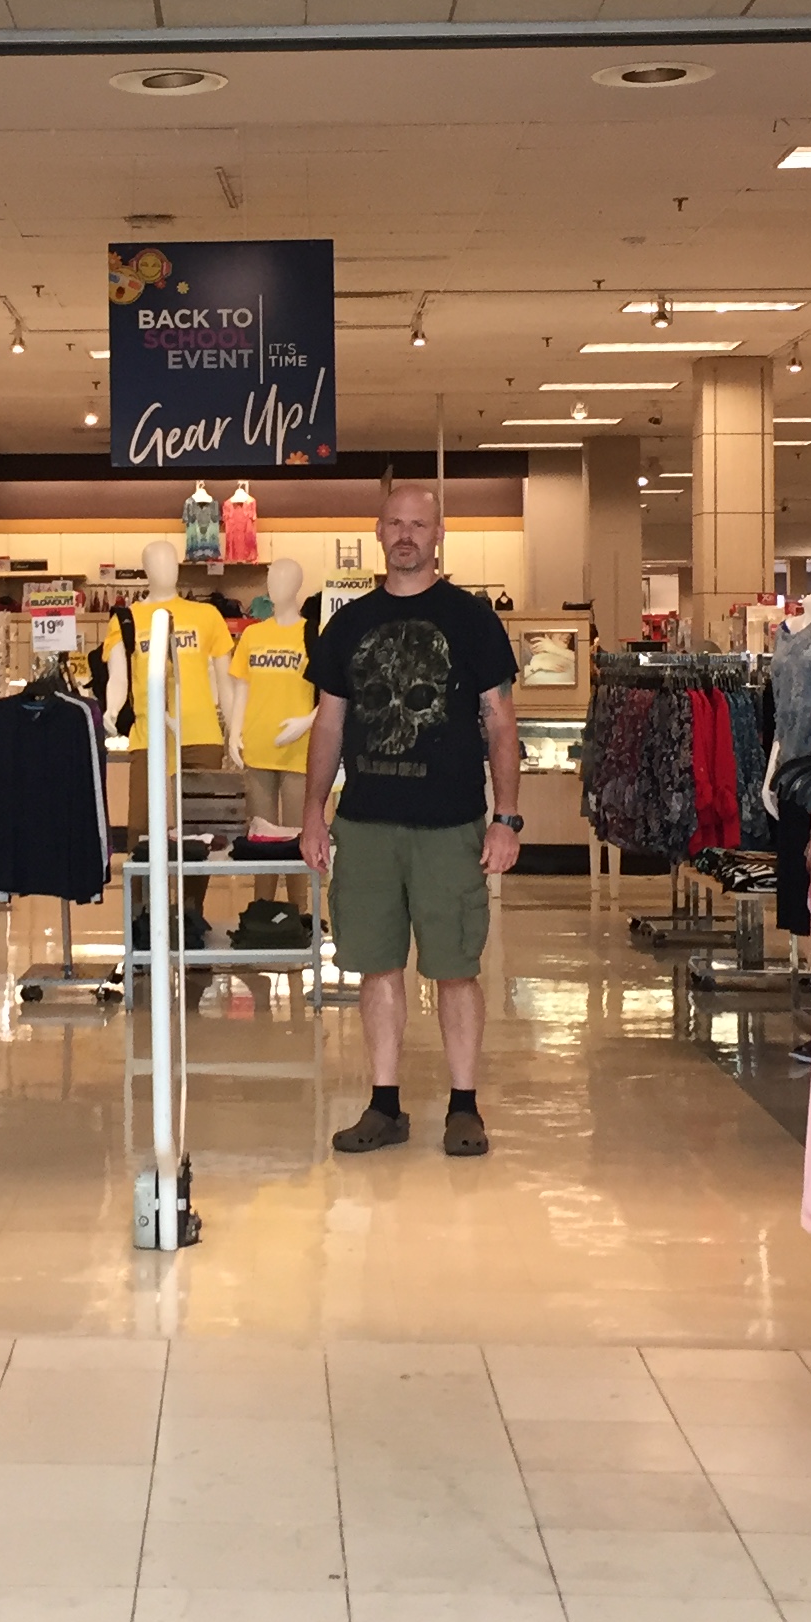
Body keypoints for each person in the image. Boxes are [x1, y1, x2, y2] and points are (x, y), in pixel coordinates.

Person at [302, 483, 521, 1157]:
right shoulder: (348, 625)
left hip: (450, 825)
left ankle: (464, 1106)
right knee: (376, 967)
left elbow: (500, 722)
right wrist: (313, 812)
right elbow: (329, 724)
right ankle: (384, 1104)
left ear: (438, 534)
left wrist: (506, 817)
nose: (405, 535)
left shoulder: (473, 620)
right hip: (365, 823)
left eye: (418, 525)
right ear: (378, 531)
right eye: (395, 523)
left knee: (456, 967)